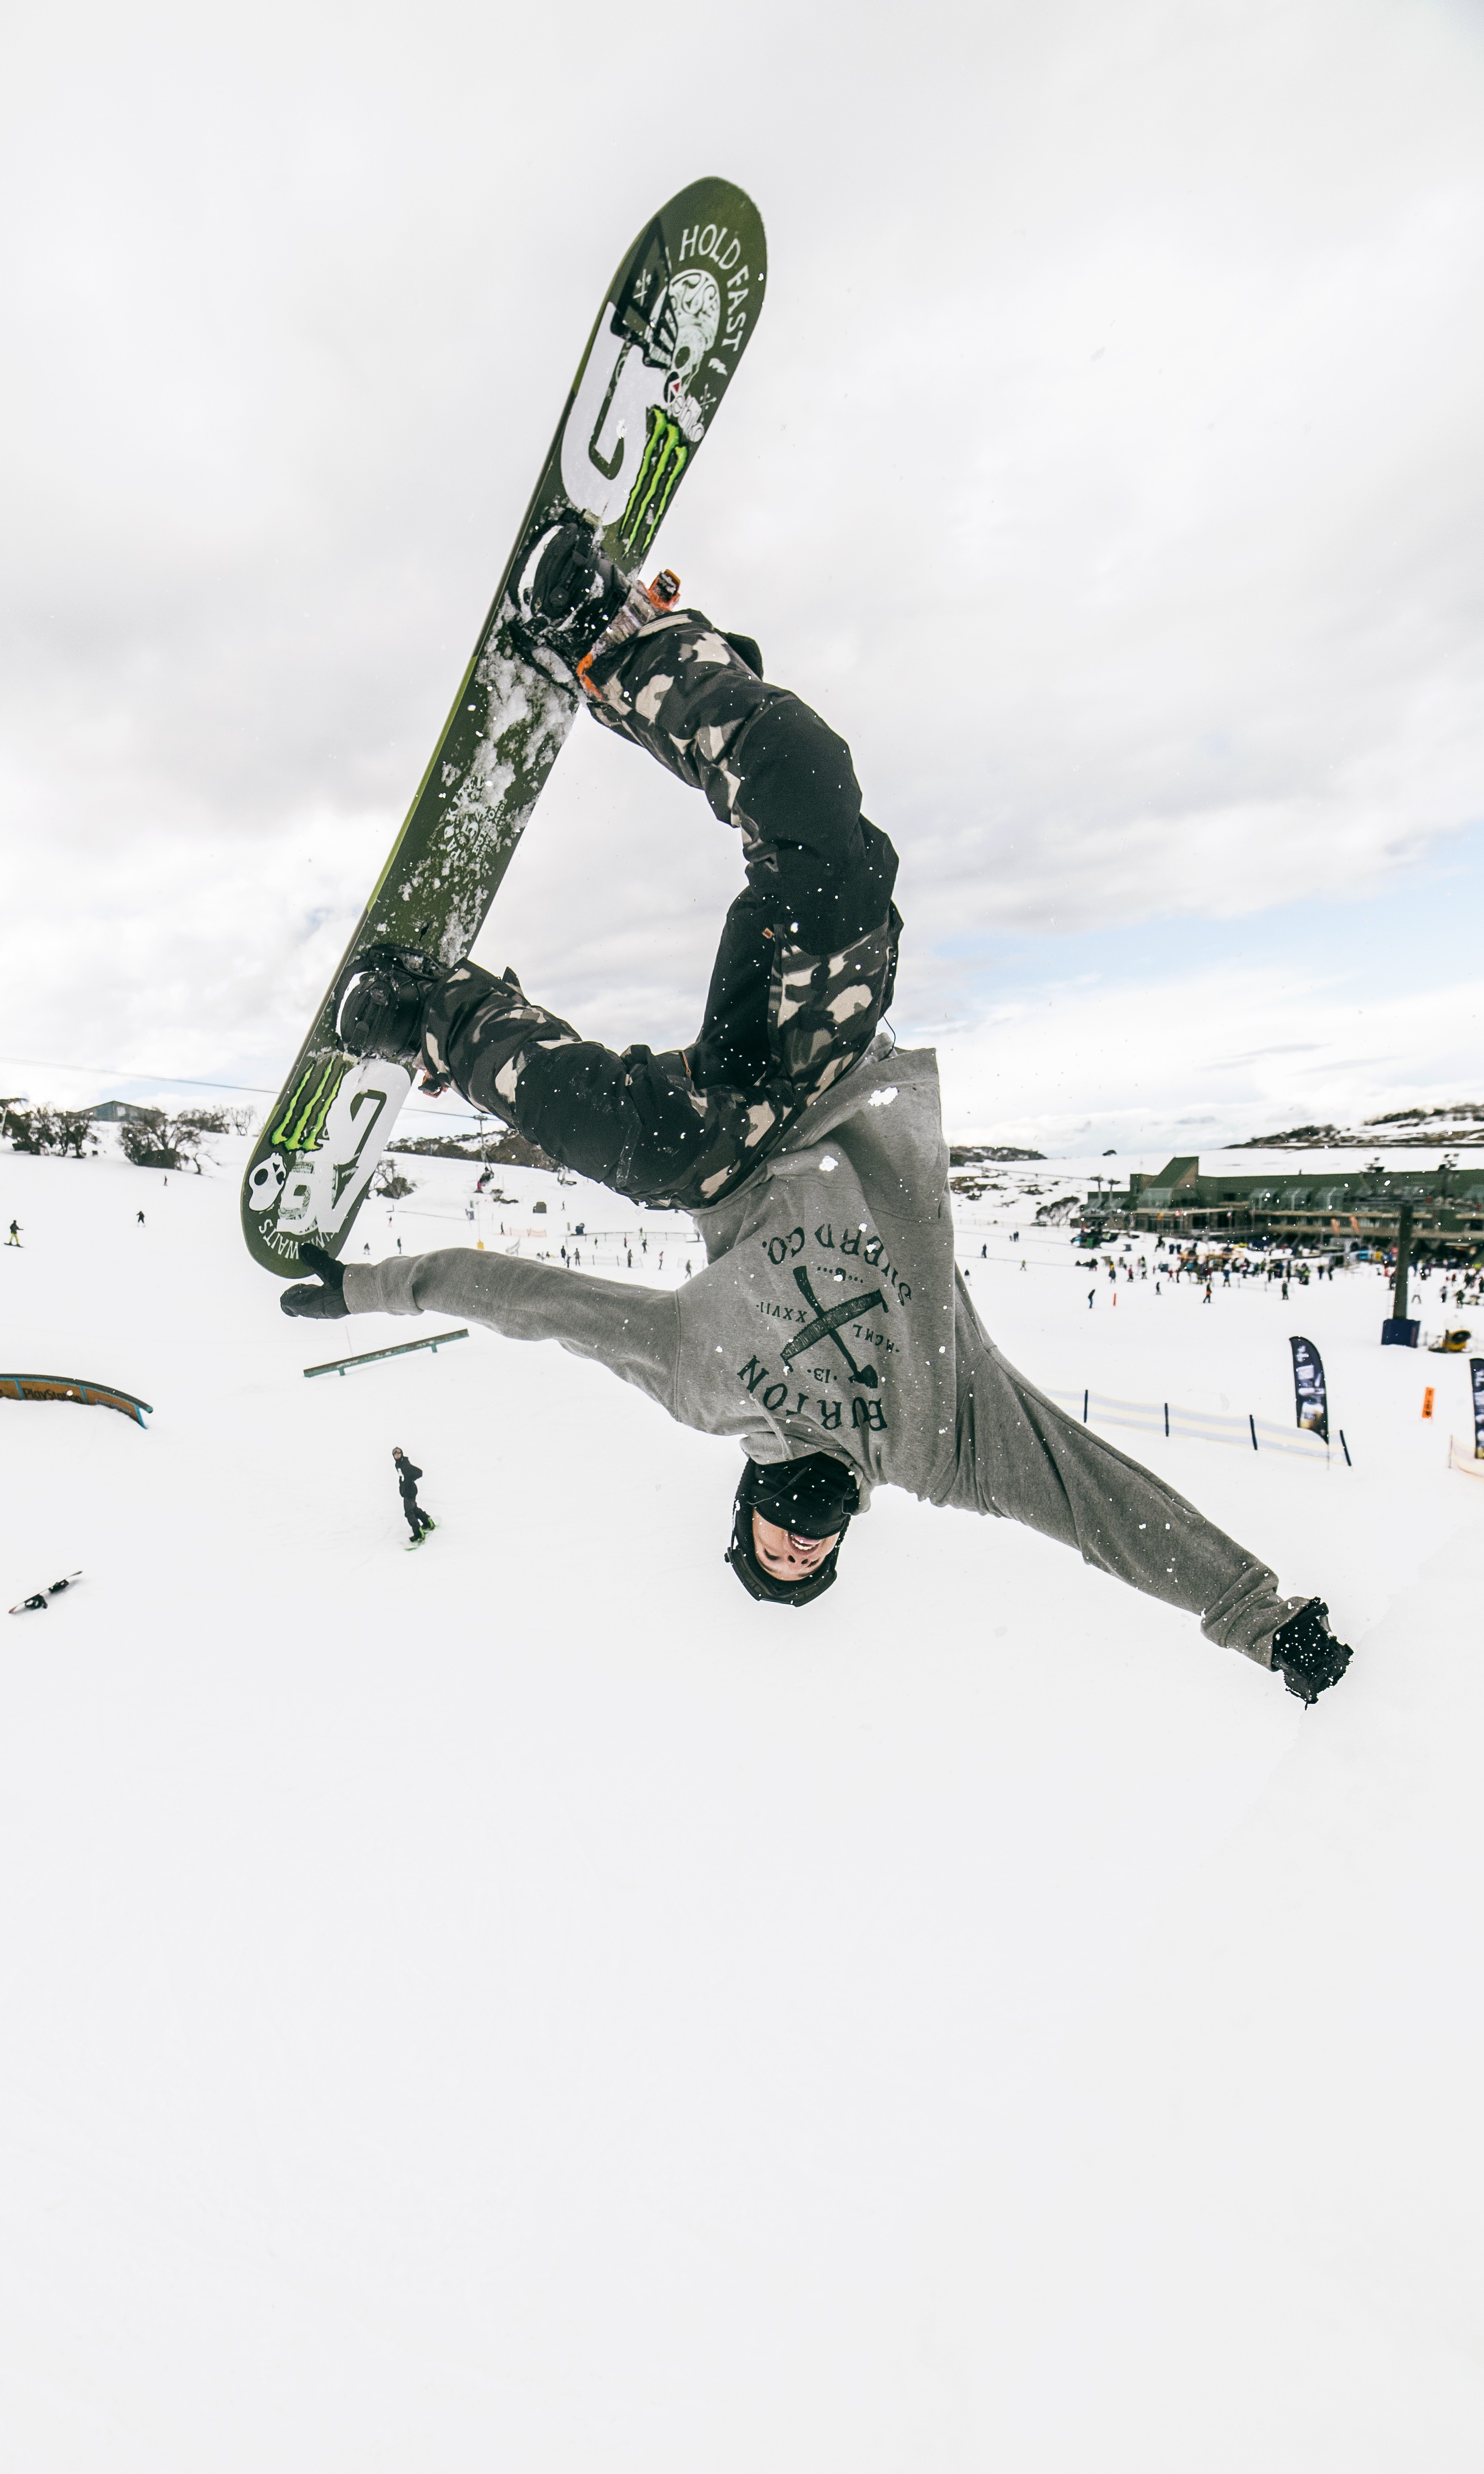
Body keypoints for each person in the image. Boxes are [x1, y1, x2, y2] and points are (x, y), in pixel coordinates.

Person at [278, 520, 1352, 1705]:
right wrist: (1257, 1617)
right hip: (826, 1067)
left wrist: (372, 1287)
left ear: (746, 1514)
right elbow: (1103, 1507)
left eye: (776, 1551)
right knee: (825, 821)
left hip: (726, 1140)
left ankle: (438, 1021)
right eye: (809, 1557)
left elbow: (534, 1306)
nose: (798, 1540)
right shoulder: (947, 1442)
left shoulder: (699, 1383)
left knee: (664, 1152)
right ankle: (622, 648)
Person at [392, 1445, 435, 1546]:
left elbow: (419, 1472)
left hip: (410, 1492)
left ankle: (419, 1534)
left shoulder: (405, 1464)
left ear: (402, 1454)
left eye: (399, 1453)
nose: (397, 1455)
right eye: (395, 1454)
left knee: (409, 1513)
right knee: (414, 1509)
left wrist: (410, 1481)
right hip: (407, 1491)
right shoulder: (398, 1464)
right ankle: (428, 1522)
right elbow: (402, 1477)